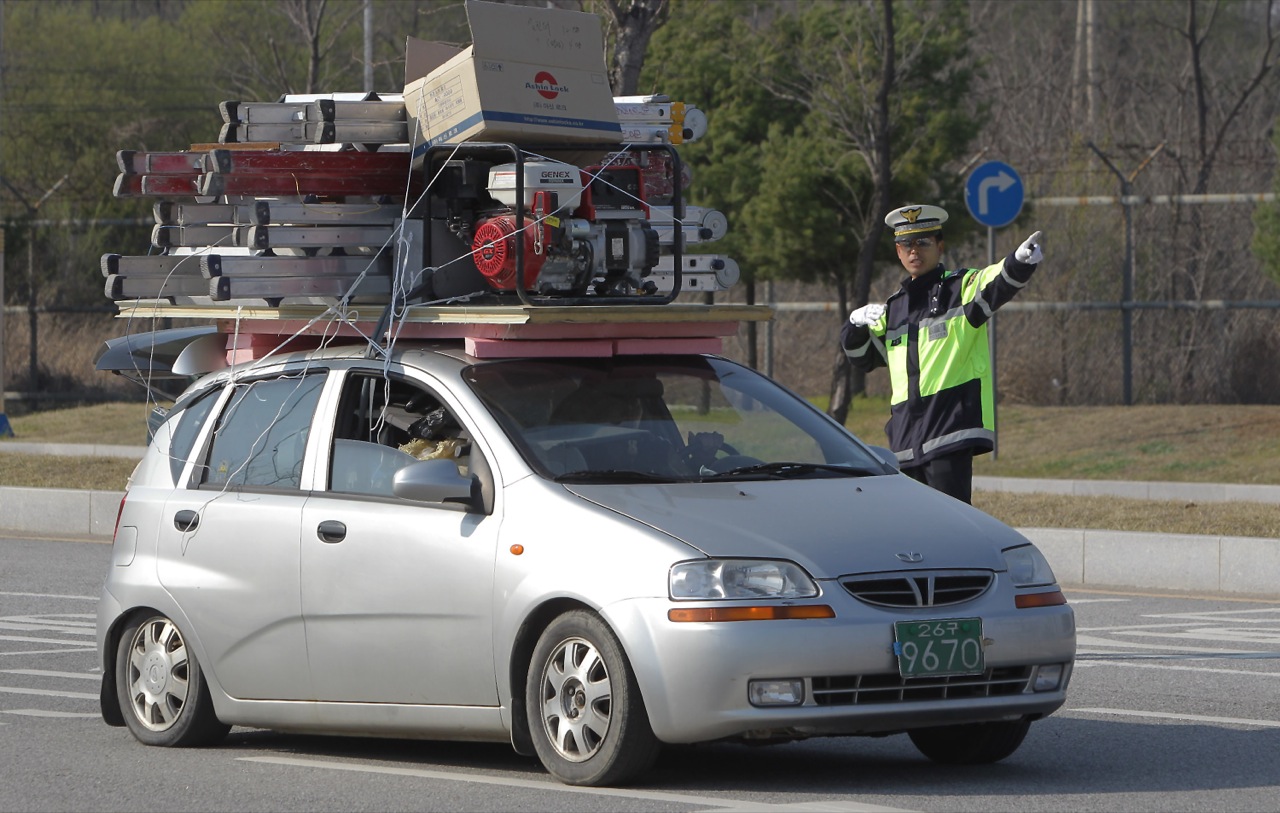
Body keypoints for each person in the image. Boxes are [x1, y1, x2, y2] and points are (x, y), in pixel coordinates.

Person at [840, 204, 1043, 504]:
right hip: (905, 442)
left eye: (923, 242)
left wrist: (1018, 262)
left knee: (952, 530)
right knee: (913, 533)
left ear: (939, 245)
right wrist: (854, 325)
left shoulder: (959, 288)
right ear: (897, 251)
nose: (914, 251)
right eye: (906, 244)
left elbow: (994, 281)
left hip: (948, 435)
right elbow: (862, 358)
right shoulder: (893, 308)